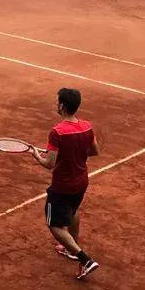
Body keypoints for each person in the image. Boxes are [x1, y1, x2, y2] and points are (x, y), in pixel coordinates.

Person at [31, 87, 100, 280]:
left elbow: (49, 164)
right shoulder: (87, 126)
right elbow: (94, 151)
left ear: (62, 105)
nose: (56, 103)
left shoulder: (57, 132)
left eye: (57, 101)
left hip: (62, 186)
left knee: (54, 226)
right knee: (73, 211)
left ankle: (84, 259)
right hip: (81, 181)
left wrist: (36, 155)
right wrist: (71, 154)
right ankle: (72, 247)